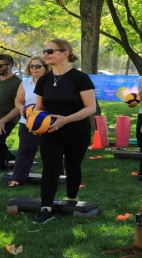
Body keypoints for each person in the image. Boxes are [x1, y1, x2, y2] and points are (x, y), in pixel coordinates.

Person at [32, 39, 96, 224]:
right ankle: (46, 208)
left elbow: (90, 107)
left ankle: (72, 197)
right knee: (50, 167)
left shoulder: (80, 78)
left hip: (76, 130)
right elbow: (39, 107)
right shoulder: (44, 80)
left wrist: (65, 120)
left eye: (50, 51)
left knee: (73, 165)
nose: (46, 54)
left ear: (65, 53)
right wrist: (35, 122)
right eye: (45, 51)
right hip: (50, 131)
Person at [10, 57, 48, 187]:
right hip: (26, 122)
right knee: (25, 151)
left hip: (47, 122)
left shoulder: (52, 82)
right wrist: (22, 109)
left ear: (46, 68)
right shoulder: (25, 82)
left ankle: (57, 178)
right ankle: (18, 179)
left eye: (38, 66)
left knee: (50, 152)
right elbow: (18, 101)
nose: (34, 69)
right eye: (32, 66)